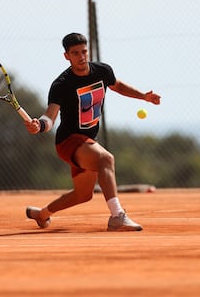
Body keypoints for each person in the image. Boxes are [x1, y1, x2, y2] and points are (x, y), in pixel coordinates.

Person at [25, 33, 161, 231]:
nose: (81, 57)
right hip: (68, 141)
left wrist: (143, 97)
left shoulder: (102, 71)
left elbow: (118, 85)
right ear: (67, 56)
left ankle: (41, 214)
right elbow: (50, 116)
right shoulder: (61, 84)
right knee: (106, 159)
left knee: (83, 195)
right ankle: (117, 216)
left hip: (88, 139)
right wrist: (40, 125)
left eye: (84, 51)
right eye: (75, 53)